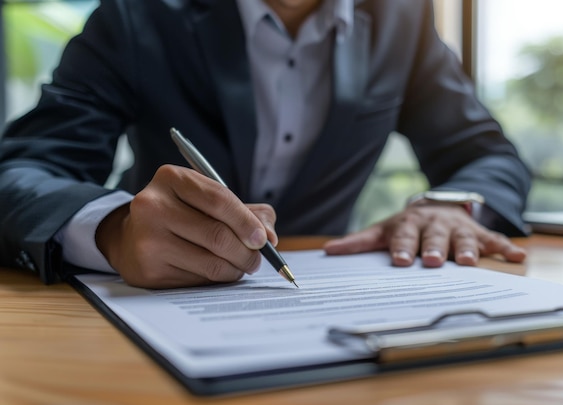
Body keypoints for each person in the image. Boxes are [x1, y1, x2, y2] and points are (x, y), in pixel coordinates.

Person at [0, 0, 531, 289]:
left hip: (333, 303)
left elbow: (486, 154)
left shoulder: (401, 19)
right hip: (152, 301)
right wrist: (111, 231)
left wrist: (452, 204)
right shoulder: (135, 16)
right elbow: (21, 172)